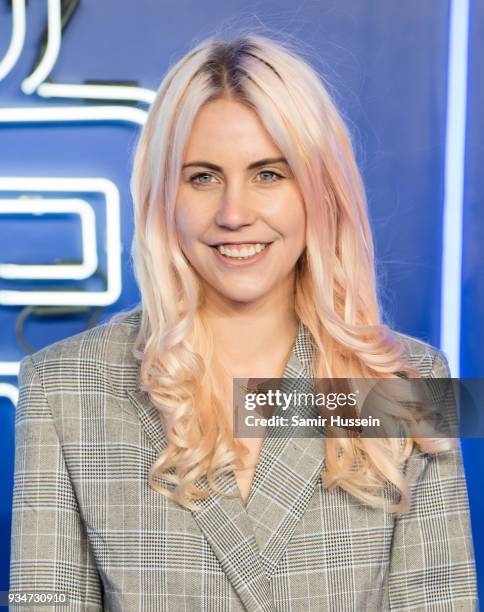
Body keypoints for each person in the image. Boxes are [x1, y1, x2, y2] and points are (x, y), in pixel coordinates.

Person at [9, 33, 477, 611]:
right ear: (162, 196)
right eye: (202, 177)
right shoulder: (62, 387)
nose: (234, 214)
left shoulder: (411, 379)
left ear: (320, 192)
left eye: (269, 174)